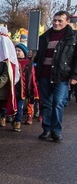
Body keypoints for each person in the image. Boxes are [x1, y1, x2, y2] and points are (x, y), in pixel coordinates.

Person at [33, 10, 77, 142]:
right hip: (44, 75)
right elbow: (39, 56)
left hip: (61, 75)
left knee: (58, 103)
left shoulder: (73, 37)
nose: (56, 23)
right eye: (54, 20)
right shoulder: (44, 36)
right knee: (46, 104)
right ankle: (46, 129)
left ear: (67, 21)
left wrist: (74, 75)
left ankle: (56, 131)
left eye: (60, 21)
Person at [13, 43, 38, 129]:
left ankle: (17, 121)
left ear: (24, 52)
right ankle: (4, 117)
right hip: (12, 87)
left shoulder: (28, 63)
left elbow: (32, 77)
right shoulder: (12, 61)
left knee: (20, 106)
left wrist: (33, 90)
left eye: (19, 51)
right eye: (15, 50)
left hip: (22, 88)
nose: (16, 52)